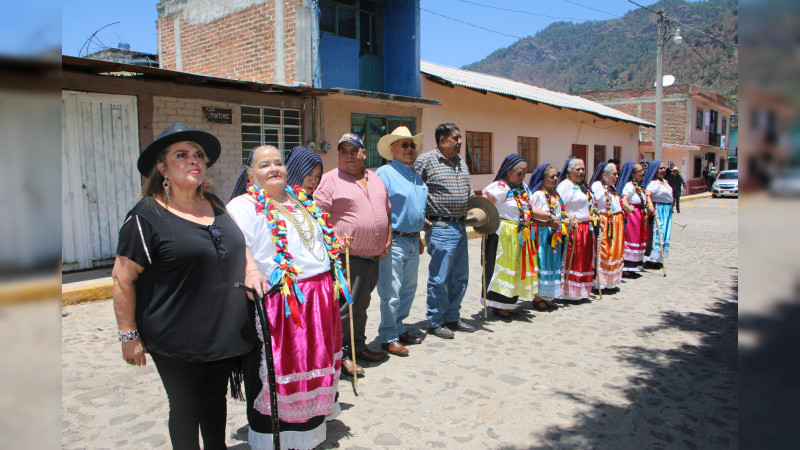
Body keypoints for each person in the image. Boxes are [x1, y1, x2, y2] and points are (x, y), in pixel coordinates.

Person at [112, 122, 253, 450]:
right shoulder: (146, 216)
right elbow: (122, 278)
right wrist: (128, 336)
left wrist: (253, 271)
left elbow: (240, 247)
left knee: (215, 401)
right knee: (186, 407)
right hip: (175, 336)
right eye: (181, 155)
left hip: (223, 331)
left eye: (198, 155)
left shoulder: (216, 205)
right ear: (162, 168)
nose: (194, 160)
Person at [227, 145, 350, 450]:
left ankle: (311, 427)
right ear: (249, 175)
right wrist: (249, 269)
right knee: (284, 370)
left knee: (317, 363)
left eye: (278, 162)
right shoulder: (243, 206)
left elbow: (314, 240)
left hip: (319, 298)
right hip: (283, 301)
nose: (274, 168)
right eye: (264, 164)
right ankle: (279, 437)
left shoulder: (300, 199)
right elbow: (237, 244)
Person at [315, 133, 392, 373]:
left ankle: (358, 347)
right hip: (347, 259)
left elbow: (387, 211)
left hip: (372, 260)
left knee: (361, 307)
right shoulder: (330, 180)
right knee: (344, 309)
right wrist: (333, 240)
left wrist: (388, 239)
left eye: (354, 150)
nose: (349, 155)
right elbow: (316, 216)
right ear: (338, 155)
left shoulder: (375, 178)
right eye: (343, 151)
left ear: (363, 153)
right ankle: (342, 355)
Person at [414, 123, 476, 339]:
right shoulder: (426, 161)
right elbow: (414, 190)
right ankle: (436, 320)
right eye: (455, 138)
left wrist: (481, 213)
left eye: (460, 138)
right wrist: (419, 216)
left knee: (460, 277)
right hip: (440, 226)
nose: (460, 142)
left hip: (461, 226)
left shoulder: (461, 163)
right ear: (442, 140)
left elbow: (469, 193)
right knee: (439, 278)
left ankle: (452, 317)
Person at [374, 126, 428, 356]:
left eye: (412, 145)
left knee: (408, 289)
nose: (410, 148)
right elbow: (379, 210)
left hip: (412, 240)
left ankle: (398, 326)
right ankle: (388, 336)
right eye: (404, 144)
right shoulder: (384, 174)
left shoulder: (414, 175)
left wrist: (418, 236)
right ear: (393, 148)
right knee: (391, 290)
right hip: (393, 241)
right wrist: (383, 240)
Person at [481, 155, 554, 319]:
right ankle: (499, 306)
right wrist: (481, 223)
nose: (522, 177)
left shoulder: (523, 188)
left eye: (524, 174)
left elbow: (530, 209)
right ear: (508, 172)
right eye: (519, 174)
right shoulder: (499, 187)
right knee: (502, 269)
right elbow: (483, 203)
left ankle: (509, 303)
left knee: (515, 270)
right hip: (503, 235)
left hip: (520, 235)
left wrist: (549, 217)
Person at [556, 157, 599, 302]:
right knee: (574, 259)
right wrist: (570, 218)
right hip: (574, 228)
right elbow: (558, 206)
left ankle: (581, 291)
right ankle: (568, 292)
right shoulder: (565, 185)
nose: (581, 172)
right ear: (569, 171)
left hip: (586, 228)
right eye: (578, 169)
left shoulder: (582, 186)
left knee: (584, 260)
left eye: (583, 169)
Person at [529, 163, 571, 310]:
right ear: (543, 178)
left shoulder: (555, 194)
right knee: (543, 263)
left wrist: (567, 219)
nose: (555, 179)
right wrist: (548, 222)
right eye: (552, 176)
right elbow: (531, 215)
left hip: (555, 234)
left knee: (553, 264)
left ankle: (547, 295)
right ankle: (538, 297)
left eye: (556, 176)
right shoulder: (538, 195)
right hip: (542, 234)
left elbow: (560, 212)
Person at [589, 162, 625, 292]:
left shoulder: (612, 188)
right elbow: (592, 203)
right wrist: (598, 218)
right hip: (605, 222)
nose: (616, 177)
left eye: (617, 174)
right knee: (604, 251)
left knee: (614, 252)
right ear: (605, 175)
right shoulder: (597, 186)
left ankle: (610, 282)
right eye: (614, 174)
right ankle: (600, 282)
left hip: (616, 223)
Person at [618, 162, 655, 277]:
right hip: (632, 217)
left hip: (640, 217)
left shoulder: (639, 187)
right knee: (631, 240)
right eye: (640, 171)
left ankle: (634, 267)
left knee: (638, 240)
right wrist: (628, 207)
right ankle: (626, 268)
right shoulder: (629, 186)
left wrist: (649, 207)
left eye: (643, 170)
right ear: (633, 174)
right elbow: (624, 199)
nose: (642, 173)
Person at [643, 161, 674, 269]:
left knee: (664, 233)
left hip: (666, 210)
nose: (663, 170)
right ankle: (652, 259)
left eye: (664, 168)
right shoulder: (654, 183)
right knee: (658, 232)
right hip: (659, 209)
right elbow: (647, 194)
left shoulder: (664, 182)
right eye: (660, 168)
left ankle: (658, 258)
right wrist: (650, 205)